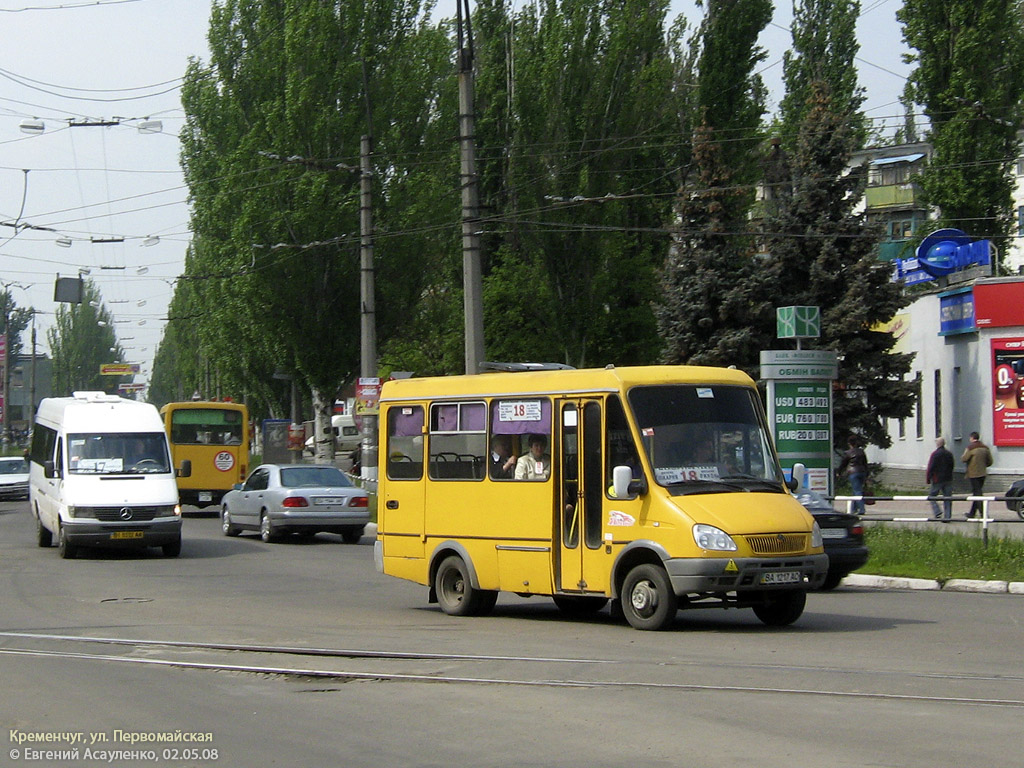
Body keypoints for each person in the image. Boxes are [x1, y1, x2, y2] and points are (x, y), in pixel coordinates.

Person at [961, 431, 993, 519]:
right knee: (977, 492)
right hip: (983, 473)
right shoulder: (985, 448)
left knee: (978, 493)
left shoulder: (970, 448)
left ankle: (984, 514)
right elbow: (990, 461)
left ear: (972, 438)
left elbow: (964, 459)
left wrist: (964, 454)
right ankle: (972, 513)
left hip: (973, 474)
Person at [837, 435, 868, 515]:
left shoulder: (848, 453)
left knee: (857, 491)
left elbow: (843, 464)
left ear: (849, 444)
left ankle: (861, 509)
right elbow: (865, 463)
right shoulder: (861, 451)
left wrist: (839, 472)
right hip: (862, 472)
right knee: (857, 490)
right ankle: (852, 509)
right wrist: (867, 474)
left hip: (853, 473)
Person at [926, 436, 954, 521]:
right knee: (948, 498)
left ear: (937, 444)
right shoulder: (949, 454)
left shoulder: (935, 454)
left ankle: (937, 511)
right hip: (948, 479)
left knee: (932, 496)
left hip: (937, 479)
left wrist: (928, 478)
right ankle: (947, 516)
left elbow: (931, 467)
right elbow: (952, 465)